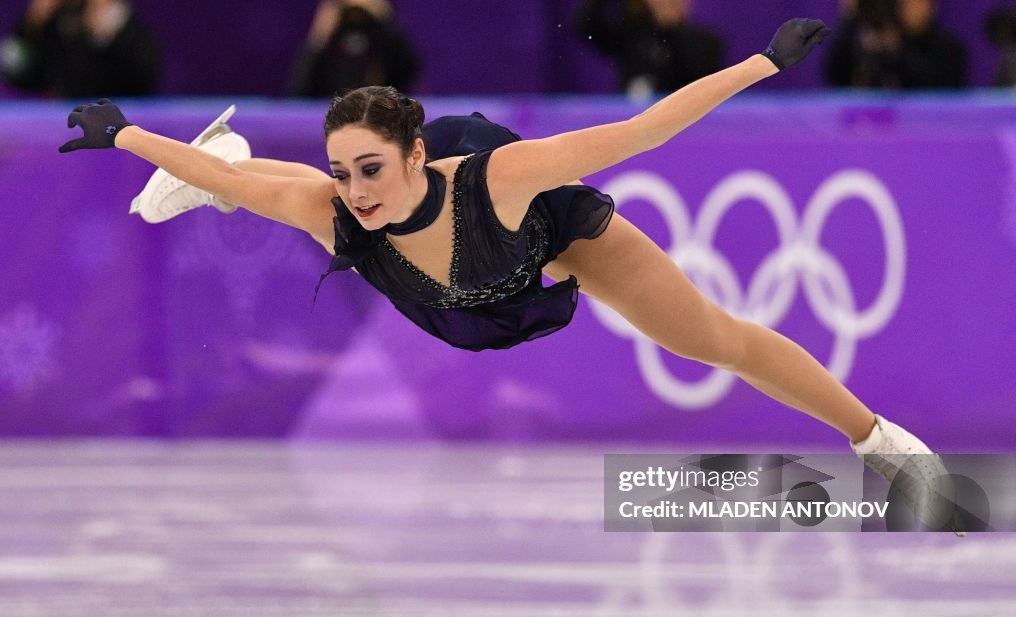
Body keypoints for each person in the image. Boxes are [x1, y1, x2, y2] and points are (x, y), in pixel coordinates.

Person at [57, 19, 962, 534]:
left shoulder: (502, 177)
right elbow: (239, 182)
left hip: (545, 238)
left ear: (414, 154)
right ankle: (219, 151)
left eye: (372, 168)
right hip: (446, 281)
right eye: (346, 170)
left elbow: (640, 134)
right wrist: (127, 133)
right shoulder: (339, 206)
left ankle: (879, 440)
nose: (357, 189)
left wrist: (761, 63)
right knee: (261, 189)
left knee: (714, 338)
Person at [0, 0, 161, 98]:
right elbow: (13, 75)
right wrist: (31, 26)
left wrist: (106, 32)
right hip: (57, 121)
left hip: (112, 121)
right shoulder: (45, 20)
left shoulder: (113, 16)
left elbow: (144, 78)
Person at [573, 0, 723, 97]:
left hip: (681, 124)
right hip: (628, 119)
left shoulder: (707, 42)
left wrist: (670, 29)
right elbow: (586, 27)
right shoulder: (631, 34)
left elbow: (696, 76)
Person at [289, 0, 421, 97]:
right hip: (331, 116)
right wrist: (318, 39)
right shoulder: (331, 34)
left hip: (378, 113)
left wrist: (387, 21)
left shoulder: (382, 34)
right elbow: (298, 91)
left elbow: (409, 73)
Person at [824, 0, 967, 89]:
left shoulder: (950, 49)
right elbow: (835, 76)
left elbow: (934, 88)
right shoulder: (864, 41)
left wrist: (896, 51)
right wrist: (849, 19)